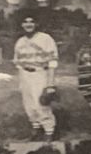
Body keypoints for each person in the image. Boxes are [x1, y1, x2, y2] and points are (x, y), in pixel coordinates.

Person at [11, 11, 59, 139]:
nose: (28, 24)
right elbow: (18, 63)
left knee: (41, 104)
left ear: (36, 23)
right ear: (21, 24)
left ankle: (49, 131)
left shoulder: (45, 38)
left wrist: (50, 84)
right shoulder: (20, 41)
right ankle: (36, 128)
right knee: (29, 105)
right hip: (25, 74)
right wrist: (21, 80)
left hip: (40, 73)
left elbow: (52, 62)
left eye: (31, 21)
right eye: (25, 22)